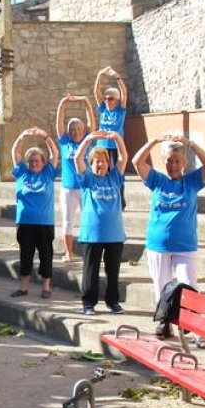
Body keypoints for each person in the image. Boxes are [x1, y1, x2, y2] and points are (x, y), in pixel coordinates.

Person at [133, 133, 205, 339]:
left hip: (185, 245)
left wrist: (190, 144)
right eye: (169, 160)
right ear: (164, 162)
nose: (173, 165)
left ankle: (196, 329)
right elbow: (137, 161)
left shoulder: (192, 181)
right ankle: (164, 323)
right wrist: (154, 141)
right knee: (161, 287)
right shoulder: (157, 180)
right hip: (158, 245)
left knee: (188, 286)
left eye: (177, 161)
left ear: (184, 163)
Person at [74, 131, 129, 315]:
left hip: (114, 233)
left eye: (104, 161)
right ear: (92, 164)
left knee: (113, 271)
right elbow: (77, 158)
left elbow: (124, 157)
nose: (101, 164)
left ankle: (112, 301)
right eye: (97, 161)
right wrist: (89, 139)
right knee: (91, 270)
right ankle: (88, 303)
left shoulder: (114, 177)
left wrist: (116, 138)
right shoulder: (87, 178)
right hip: (92, 233)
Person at [10, 128, 58, 299]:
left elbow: (55, 153)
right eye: (31, 160)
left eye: (37, 160)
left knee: (46, 255)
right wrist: (22, 136)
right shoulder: (22, 173)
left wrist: (45, 137)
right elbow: (14, 151)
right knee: (25, 255)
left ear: (43, 162)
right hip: (25, 222)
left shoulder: (48, 173)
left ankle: (46, 287)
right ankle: (23, 287)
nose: (34, 163)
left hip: (45, 223)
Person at [56, 94, 95, 262]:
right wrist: (63, 103)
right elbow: (59, 122)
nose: (76, 132)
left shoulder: (88, 141)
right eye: (73, 130)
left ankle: (89, 253)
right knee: (67, 221)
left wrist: (86, 102)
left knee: (88, 219)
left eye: (79, 129)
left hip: (86, 188)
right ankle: (68, 253)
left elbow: (92, 122)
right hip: (68, 188)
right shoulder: (65, 142)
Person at [93, 67, 129, 207]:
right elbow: (96, 92)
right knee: (100, 171)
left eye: (111, 98)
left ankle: (120, 201)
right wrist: (99, 75)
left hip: (115, 147)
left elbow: (125, 93)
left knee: (117, 173)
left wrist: (117, 77)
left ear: (117, 100)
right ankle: (102, 197)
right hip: (102, 146)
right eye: (106, 98)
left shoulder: (120, 111)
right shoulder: (102, 110)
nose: (107, 100)